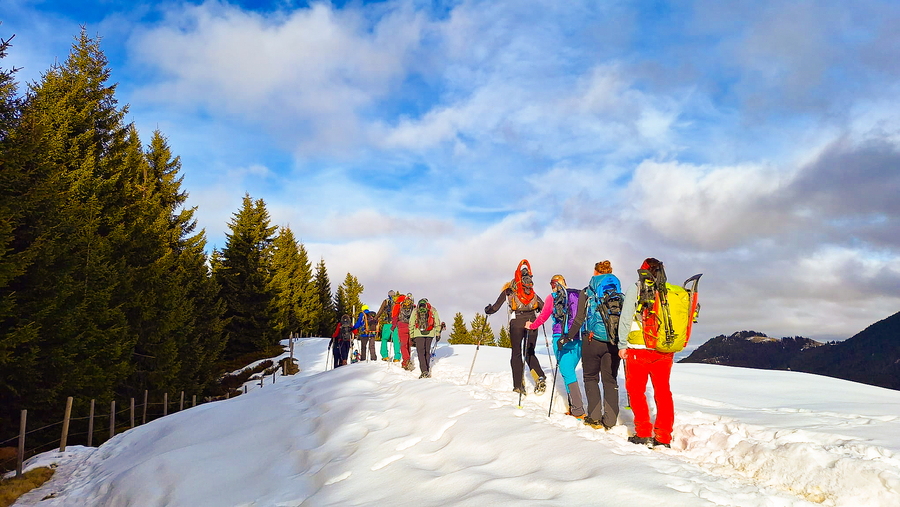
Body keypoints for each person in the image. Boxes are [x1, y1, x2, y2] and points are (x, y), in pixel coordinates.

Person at [618, 257, 673, 448]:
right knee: (663, 393)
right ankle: (663, 438)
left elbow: (625, 318)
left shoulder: (636, 288)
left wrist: (622, 344)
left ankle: (643, 433)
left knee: (636, 391)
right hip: (664, 350)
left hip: (639, 351)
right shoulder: (668, 290)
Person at [566, 261, 622, 430]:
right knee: (610, 380)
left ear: (595, 272)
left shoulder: (587, 291)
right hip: (613, 342)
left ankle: (594, 417)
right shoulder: (618, 292)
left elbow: (579, 318)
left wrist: (568, 336)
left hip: (592, 341)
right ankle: (610, 420)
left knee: (591, 378)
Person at [526, 274, 584, 418]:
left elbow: (543, 317)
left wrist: (531, 325)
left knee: (567, 372)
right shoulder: (578, 295)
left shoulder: (551, 297)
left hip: (560, 339)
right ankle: (574, 407)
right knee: (569, 372)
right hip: (578, 337)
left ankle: (578, 410)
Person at [484, 259, 546, 396]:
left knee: (516, 353)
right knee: (530, 352)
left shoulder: (509, 291)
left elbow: (495, 308)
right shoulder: (532, 291)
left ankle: (518, 386)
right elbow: (543, 307)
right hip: (532, 323)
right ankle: (540, 376)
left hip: (516, 323)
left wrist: (488, 310)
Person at [408, 298, 441, 378]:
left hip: (418, 333)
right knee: (427, 351)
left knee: (420, 353)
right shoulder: (432, 310)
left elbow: (411, 323)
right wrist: (437, 333)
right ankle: (427, 369)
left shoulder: (415, 310)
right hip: (429, 333)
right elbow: (437, 321)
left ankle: (424, 371)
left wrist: (412, 335)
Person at [374, 290, 401, 362]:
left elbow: (380, 311)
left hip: (387, 323)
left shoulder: (386, 301)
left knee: (384, 339)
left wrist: (375, 318)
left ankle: (385, 356)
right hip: (396, 323)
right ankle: (397, 357)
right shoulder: (398, 302)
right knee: (396, 340)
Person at [392, 292, 416, 370]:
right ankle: (407, 360)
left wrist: (393, 326)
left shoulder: (400, 306)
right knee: (409, 344)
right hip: (410, 326)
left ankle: (406, 361)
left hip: (401, 326)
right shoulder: (414, 307)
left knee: (403, 345)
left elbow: (395, 317)